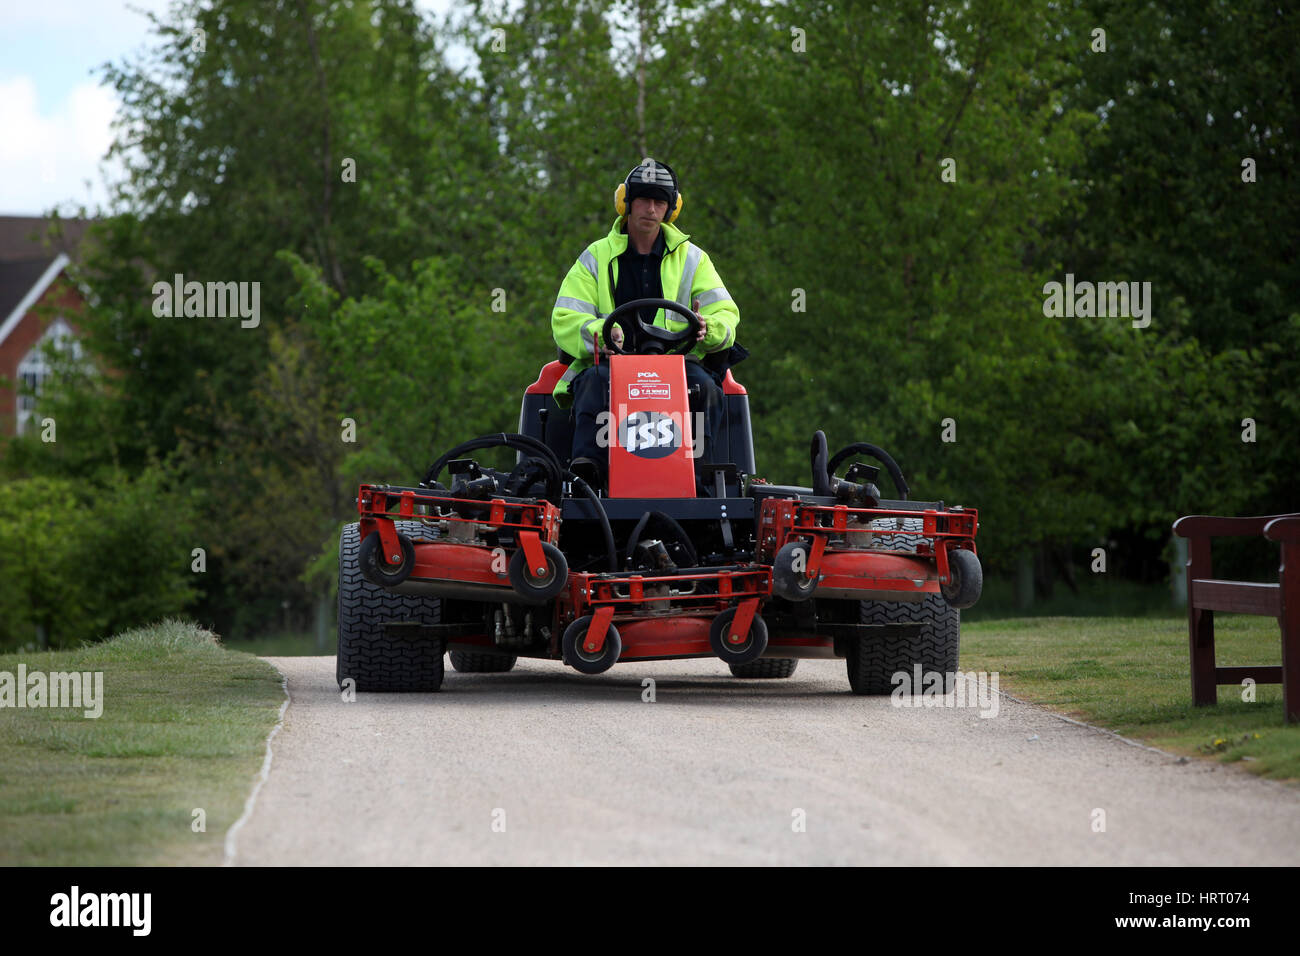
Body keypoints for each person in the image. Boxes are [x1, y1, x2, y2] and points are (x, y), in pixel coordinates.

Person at [551, 158, 739, 491]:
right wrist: (600, 335)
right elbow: (565, 317)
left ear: (671, 208)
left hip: (677, 367)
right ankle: (587, 479)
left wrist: (708, 327)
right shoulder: (595, 257)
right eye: (643, 199)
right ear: (625, 202)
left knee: (705, 386)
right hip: (609, 365)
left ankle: (699, 481)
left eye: (659, 201)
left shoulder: (694, 259)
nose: (650, 209)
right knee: (593, 382)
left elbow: (726, 314)